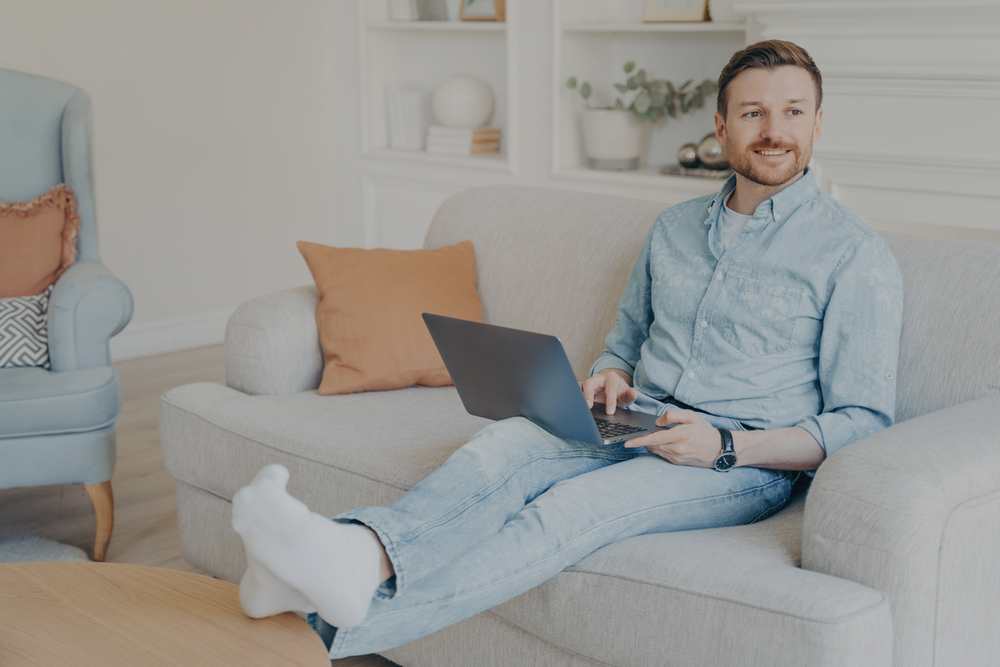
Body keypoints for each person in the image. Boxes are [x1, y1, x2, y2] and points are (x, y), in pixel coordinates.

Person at [229, 40, 904, 658]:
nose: (773, 131)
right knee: (503, 446)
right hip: (638, 415)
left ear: (818, 123)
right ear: (721, 127)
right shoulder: (673, 229)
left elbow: (862, 422)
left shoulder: (854, 255)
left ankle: (310, 632)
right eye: (753, 113)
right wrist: (608, 376)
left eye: (792, 111)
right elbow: (624, 341)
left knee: (561, 513)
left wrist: (724, 445)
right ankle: (355, 554)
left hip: (736, 460)